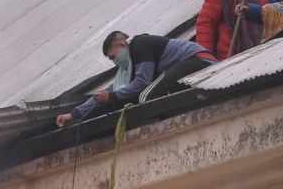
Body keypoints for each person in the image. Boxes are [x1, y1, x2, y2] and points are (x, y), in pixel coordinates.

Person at [55, 32, 212, 128]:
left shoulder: (140, 44)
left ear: (122, 44)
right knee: (147, 94)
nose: (114, 62)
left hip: (198, 60)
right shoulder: (129, 66)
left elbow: (142, 82)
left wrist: (112, 97)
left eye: (113, 57)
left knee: (146, 96)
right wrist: (73, 114)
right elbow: (110, 90)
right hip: (186, 66)